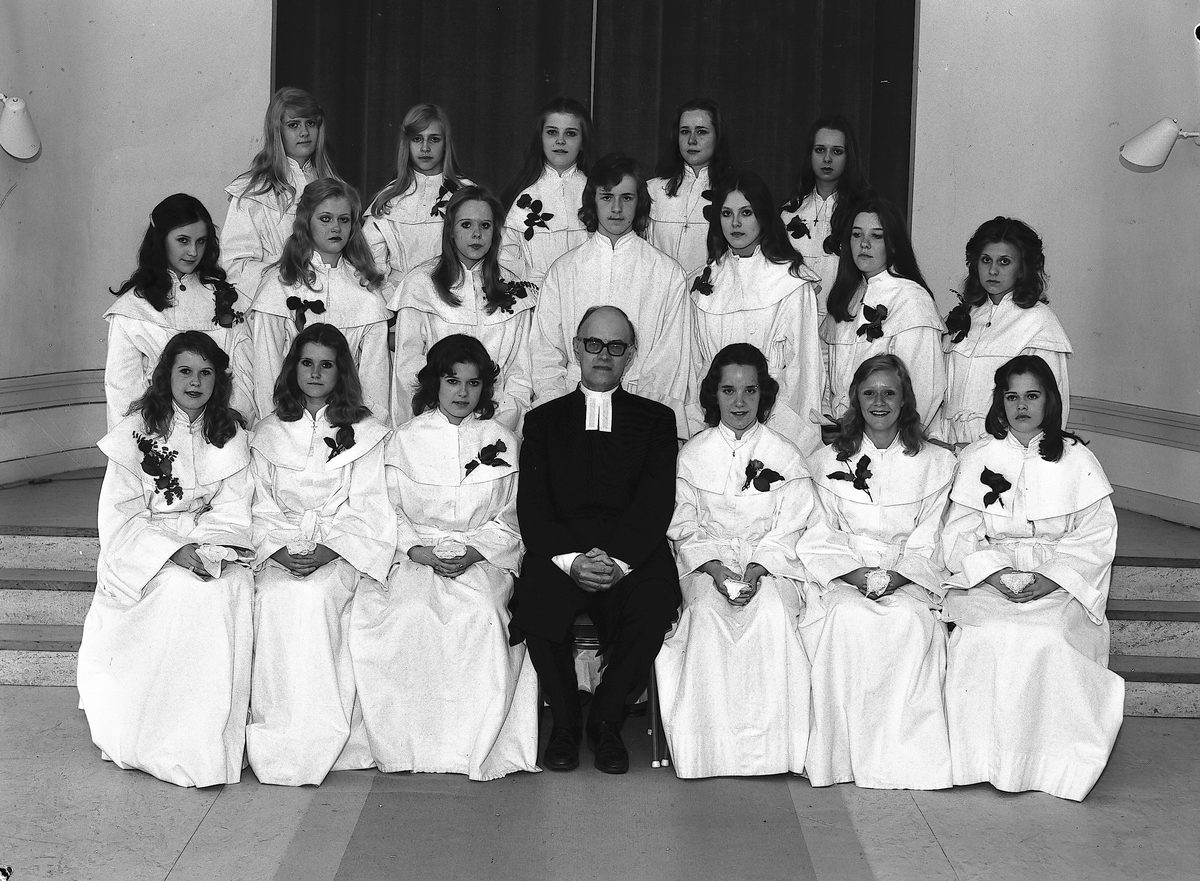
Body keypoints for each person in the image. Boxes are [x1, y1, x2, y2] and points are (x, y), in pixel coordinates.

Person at [351, 335, 539, 780]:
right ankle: (410, 747)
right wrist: (418, 550)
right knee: (410, 612)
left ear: (484, 388)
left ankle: (472, 746)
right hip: (415, 554)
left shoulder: (501, 439)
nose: (462, 392)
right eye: (452, 381)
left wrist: (475, 551)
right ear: (434, 382)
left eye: (473, 383)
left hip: (482, 556)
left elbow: (513, 516)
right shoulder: (403, 440)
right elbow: (385, 509)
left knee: (481, 614)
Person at [942, 355, 1122, 801]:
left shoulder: (1077, 458)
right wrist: (995, 573)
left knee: (1047, 635)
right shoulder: (978, 456)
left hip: (1058, 577)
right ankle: (979, 760)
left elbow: (1097, 535)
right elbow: (959, 533)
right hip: (991, 576)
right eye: (1012, 396)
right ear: (1000, 402)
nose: (1021, 406)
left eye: (1032, 396)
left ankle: (1050, 765)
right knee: (988, 632)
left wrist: (1052, 578)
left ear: (1050, 401)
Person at [78, 332, 254, 787]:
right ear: (166, 376)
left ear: (219, 379)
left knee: (230, 588)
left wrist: (209, 550)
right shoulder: (136, 432)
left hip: (211, 545)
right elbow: (120, 515)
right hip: (147, 551)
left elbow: (235, 508)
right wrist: (173, 551)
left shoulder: (231, 433)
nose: (195, 382)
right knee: (180, 592)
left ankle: (207, 741)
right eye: (185, 371)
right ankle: (161, 737)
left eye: (206, 372)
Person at [509, 306, 680, 775]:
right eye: (594, 344)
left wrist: (618, 562)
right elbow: (534, 506)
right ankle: (565, 722)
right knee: (534, 597)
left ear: (631, 355)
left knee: (655, 602)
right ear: (577, 348)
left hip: (632, 551)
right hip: (563, 550)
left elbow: (655, 502)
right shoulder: (543, 420)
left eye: (616, 346)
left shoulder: (656, 420)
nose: (604, 355)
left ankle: (606, 719)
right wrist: (572, 561)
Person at [655, 344, 816, 778]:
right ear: (715, 394)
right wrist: (715, 569)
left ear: (764, 394)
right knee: (707, 614)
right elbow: (683, 524)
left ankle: (773, 752)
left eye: (750, 391)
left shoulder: (785, 453)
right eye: (729, 390)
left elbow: (792, 526)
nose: (740, 402)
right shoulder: (692, 455)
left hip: (770, 563)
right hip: (707, 564)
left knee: (772, 613)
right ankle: (710, 752)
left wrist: (758, 569)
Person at [798, 354, 956, 790]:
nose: (880, 402)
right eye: (870, 393)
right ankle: (843, 757)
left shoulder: (936, 463)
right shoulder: (826, 460)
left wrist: (896, 577)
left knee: (909, 622)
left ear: (905, 399)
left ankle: (903, 759)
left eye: (890, 393)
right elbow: (819, 532)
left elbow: (933, 536)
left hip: (910, 576)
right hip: (846, 575)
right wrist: (857, 576)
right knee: (845, 619)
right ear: (856, 399)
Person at [246, 324, 395, 787]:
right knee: (277, 598)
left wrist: (330, 549)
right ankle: (280, 732)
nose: (315, 373)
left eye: (326, 364)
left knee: (315, 599)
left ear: (341, 371)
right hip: (280, 549)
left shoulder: (366, 432)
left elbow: (370, 504)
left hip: (340, 549)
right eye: (306, 363)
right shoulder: (268, 431)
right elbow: (258, 503)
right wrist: (279, 550)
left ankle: (326, 734)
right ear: (293, 368)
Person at [530, 153, 691, 437]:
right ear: (592, 200)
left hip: (641, 415)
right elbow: (545, 352)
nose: (616, 208)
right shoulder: (564, 270)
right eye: (606, 197)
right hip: (571, 409)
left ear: (639, 202)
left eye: (626, 198)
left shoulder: (667, 273)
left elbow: (670, 360)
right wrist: (561, 409)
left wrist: (644, 415)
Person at [687, 172, 824, 453]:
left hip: (775, 420)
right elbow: (694, 366)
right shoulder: (702, 282)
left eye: (746, 213)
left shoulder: (791, 281)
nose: (735, 223)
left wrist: (781, 441)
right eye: (727, 213)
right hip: (713, 420)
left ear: (763, 215)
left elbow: (803, 372)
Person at [389, 186, 536, 430]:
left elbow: (519, 375)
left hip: (496, 425)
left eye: (485, 225)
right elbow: (408, 368)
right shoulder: (420, 284)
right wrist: (440, 423)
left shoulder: (514, 290)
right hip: (432, 426)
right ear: (451, 231)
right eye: (466, 225)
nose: (476, 234)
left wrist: (496, 426)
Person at [245, 179, 389, 422]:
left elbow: (375, 382)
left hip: (348, 421)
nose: (336, 228)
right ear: (306, 222)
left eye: (344, 219)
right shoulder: (278, 284)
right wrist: (278, 425)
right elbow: (266, 370)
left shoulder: (367, 291)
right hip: (289, 419)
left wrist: (364, 429)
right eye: (325, 218)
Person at [104, 194, 253, 428]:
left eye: (201, 241)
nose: (193, 251)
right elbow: (122, 392)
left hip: (219, 429)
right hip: (156, 431)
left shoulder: (227, 299)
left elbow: (243, 377)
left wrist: (225, 428)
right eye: (183, 240)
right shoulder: (132, 306)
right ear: (161, 240)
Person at [939, 217, 1072, 447]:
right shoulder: (965, 316)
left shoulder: (1039, 323)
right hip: (946, 444)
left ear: (1022, 268)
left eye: (1004, 262)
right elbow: (939, 392)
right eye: (986, 260)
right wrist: (936, 440)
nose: (993, 270)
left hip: (1001, 450)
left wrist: (992, 451)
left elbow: (1049, 410)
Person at [821, 198, 947, 430]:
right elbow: (827, 380)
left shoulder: (911, 298)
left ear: (894, 244)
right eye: (857, 235)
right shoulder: (844, 297)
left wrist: (895, 438)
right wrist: (831, 422)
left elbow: (925, 387)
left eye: (876, 236)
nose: (864, 244)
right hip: (844, 433)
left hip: (888, 436)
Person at [222, 87, 340, 296]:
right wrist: (290, 278)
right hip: (274, 299)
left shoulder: (335, 187)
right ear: (277, 130)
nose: (304, 132)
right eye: (293, 125)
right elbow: (235, 265)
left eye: (310, 123)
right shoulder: (252, 191)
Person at [364, 103, 474, 292]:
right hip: (398, 298)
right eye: (417, 139)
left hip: (454, 293)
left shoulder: (467, 193)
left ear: (445, 143)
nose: (425, 148)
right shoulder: (388, 198)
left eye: (434, 139)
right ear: (406, 143)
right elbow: (373, 264)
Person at [780, 116, 874, 323]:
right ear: (810, 154)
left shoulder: (865, 214)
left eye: (837, 151)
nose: (827, 159)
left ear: (849, 156)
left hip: (846, 320)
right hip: (796, 321)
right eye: (820, 150)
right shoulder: (787, 213)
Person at [500, 97, 594, 287]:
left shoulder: (597, 193)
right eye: (552, 132)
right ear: (540, 139)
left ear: (583, 141)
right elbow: (505, 260)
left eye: (570, 134)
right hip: (534, 296)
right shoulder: (522, 196)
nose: (560, 140)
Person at [645, 97, 736, 276]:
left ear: (718, 137)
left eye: (701, 132)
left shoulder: (734, 192)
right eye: (685, 131)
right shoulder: (652, 190)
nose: (692, 140)